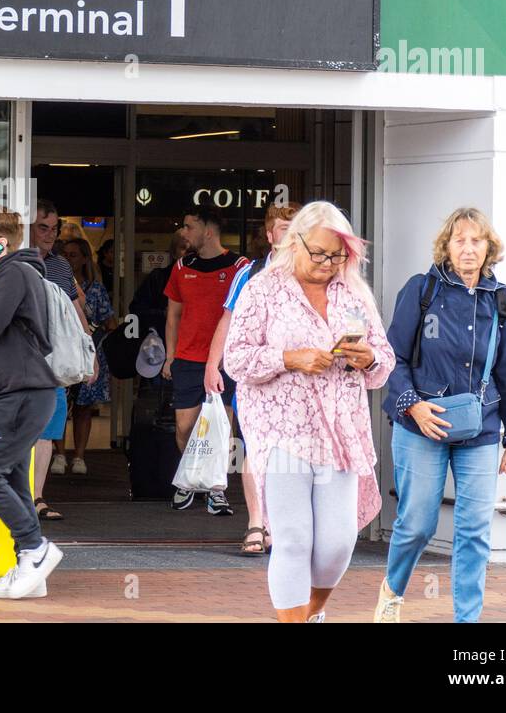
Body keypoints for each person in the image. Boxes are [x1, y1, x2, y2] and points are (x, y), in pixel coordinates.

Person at [223, 201, 395, 623]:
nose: (327, 263)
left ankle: (312, 612)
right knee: (294, 539)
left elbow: (385, 362)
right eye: (318, 253)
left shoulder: (353, 292)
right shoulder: (263, 289)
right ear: (294, 242)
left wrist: (367, 357)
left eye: (337, 255)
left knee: (336, 543)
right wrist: (290, 358)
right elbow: (237, 359)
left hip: (341, 433)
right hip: (281, 431)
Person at [376, 207, 506, 624]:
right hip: (420, 424)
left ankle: (466, 619)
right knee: (418, 523)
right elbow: (392, 358)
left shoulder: (498, 301)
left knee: (475, 529)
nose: (468, 248)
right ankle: (392, 590)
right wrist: (413, 406)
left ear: (488, 248)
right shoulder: (422, 290)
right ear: (447, 246)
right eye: (460, 240)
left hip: (480, 428)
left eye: (476, 240)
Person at [0, 206, 64, 599]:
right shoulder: (12, 273)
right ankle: (29, 567)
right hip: (12, 395)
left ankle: (36, 550)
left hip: (21, 399)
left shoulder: (13, 273)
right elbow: (7, 345)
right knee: (15, 481)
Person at [204, 202, 301, 555]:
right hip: (254, 375)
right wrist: (212, 364)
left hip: (296, 379)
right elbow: (227, 319)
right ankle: (256, 524)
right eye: (282, 228)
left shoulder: (314, 272)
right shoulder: (251, 272)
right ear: (271, 235)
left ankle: (277, 523)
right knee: (256, 448)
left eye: (296, 227)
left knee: (289, 454)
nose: (289, 234)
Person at [161, 206, 249, 514]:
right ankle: (190, 480)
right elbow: (172, 315)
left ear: (207, 231)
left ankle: (216, 488)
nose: (183, 232)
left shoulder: (241, 266)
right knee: (185, 426)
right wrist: (170, 356)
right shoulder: (182, 265)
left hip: (225, 361)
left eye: (188, 226)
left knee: (222, 427)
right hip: (187, 357)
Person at [28, 199, 90, 517]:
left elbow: (74, 308)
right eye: (43, 227)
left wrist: (88, 352)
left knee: (48, 431)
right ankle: (20, 497)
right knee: (22, 427)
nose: (50, 235)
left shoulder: (60, 266)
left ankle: (37, 497)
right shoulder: (14, 261)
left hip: (53, 359)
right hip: (21, 358)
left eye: (54, 229)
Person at [61, 237, 115, 475]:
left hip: (89, 350)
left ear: (84, 259)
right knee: (61, 404)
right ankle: (59, 454)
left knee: (84, 406)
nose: (69, 259)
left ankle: (79, 456)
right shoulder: (57, 283)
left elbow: (109, 321)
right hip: (63, 350)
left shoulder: (96, 288)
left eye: (73, 255)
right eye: (66, 254)